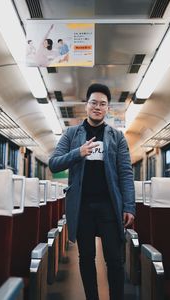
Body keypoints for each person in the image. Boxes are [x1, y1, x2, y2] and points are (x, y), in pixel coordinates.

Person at [49, 83, 135, 300]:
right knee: (86, 258)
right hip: (82, 206)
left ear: (108, 109)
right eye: (94, 102)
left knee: (115, 260)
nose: (98, 107)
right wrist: (78, 152)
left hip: (109, 205)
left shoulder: (117, 137)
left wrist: (129, 206)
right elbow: (54, 164)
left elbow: (125, 173)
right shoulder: (71, 134)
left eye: (103, 104)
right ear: (86, 106)